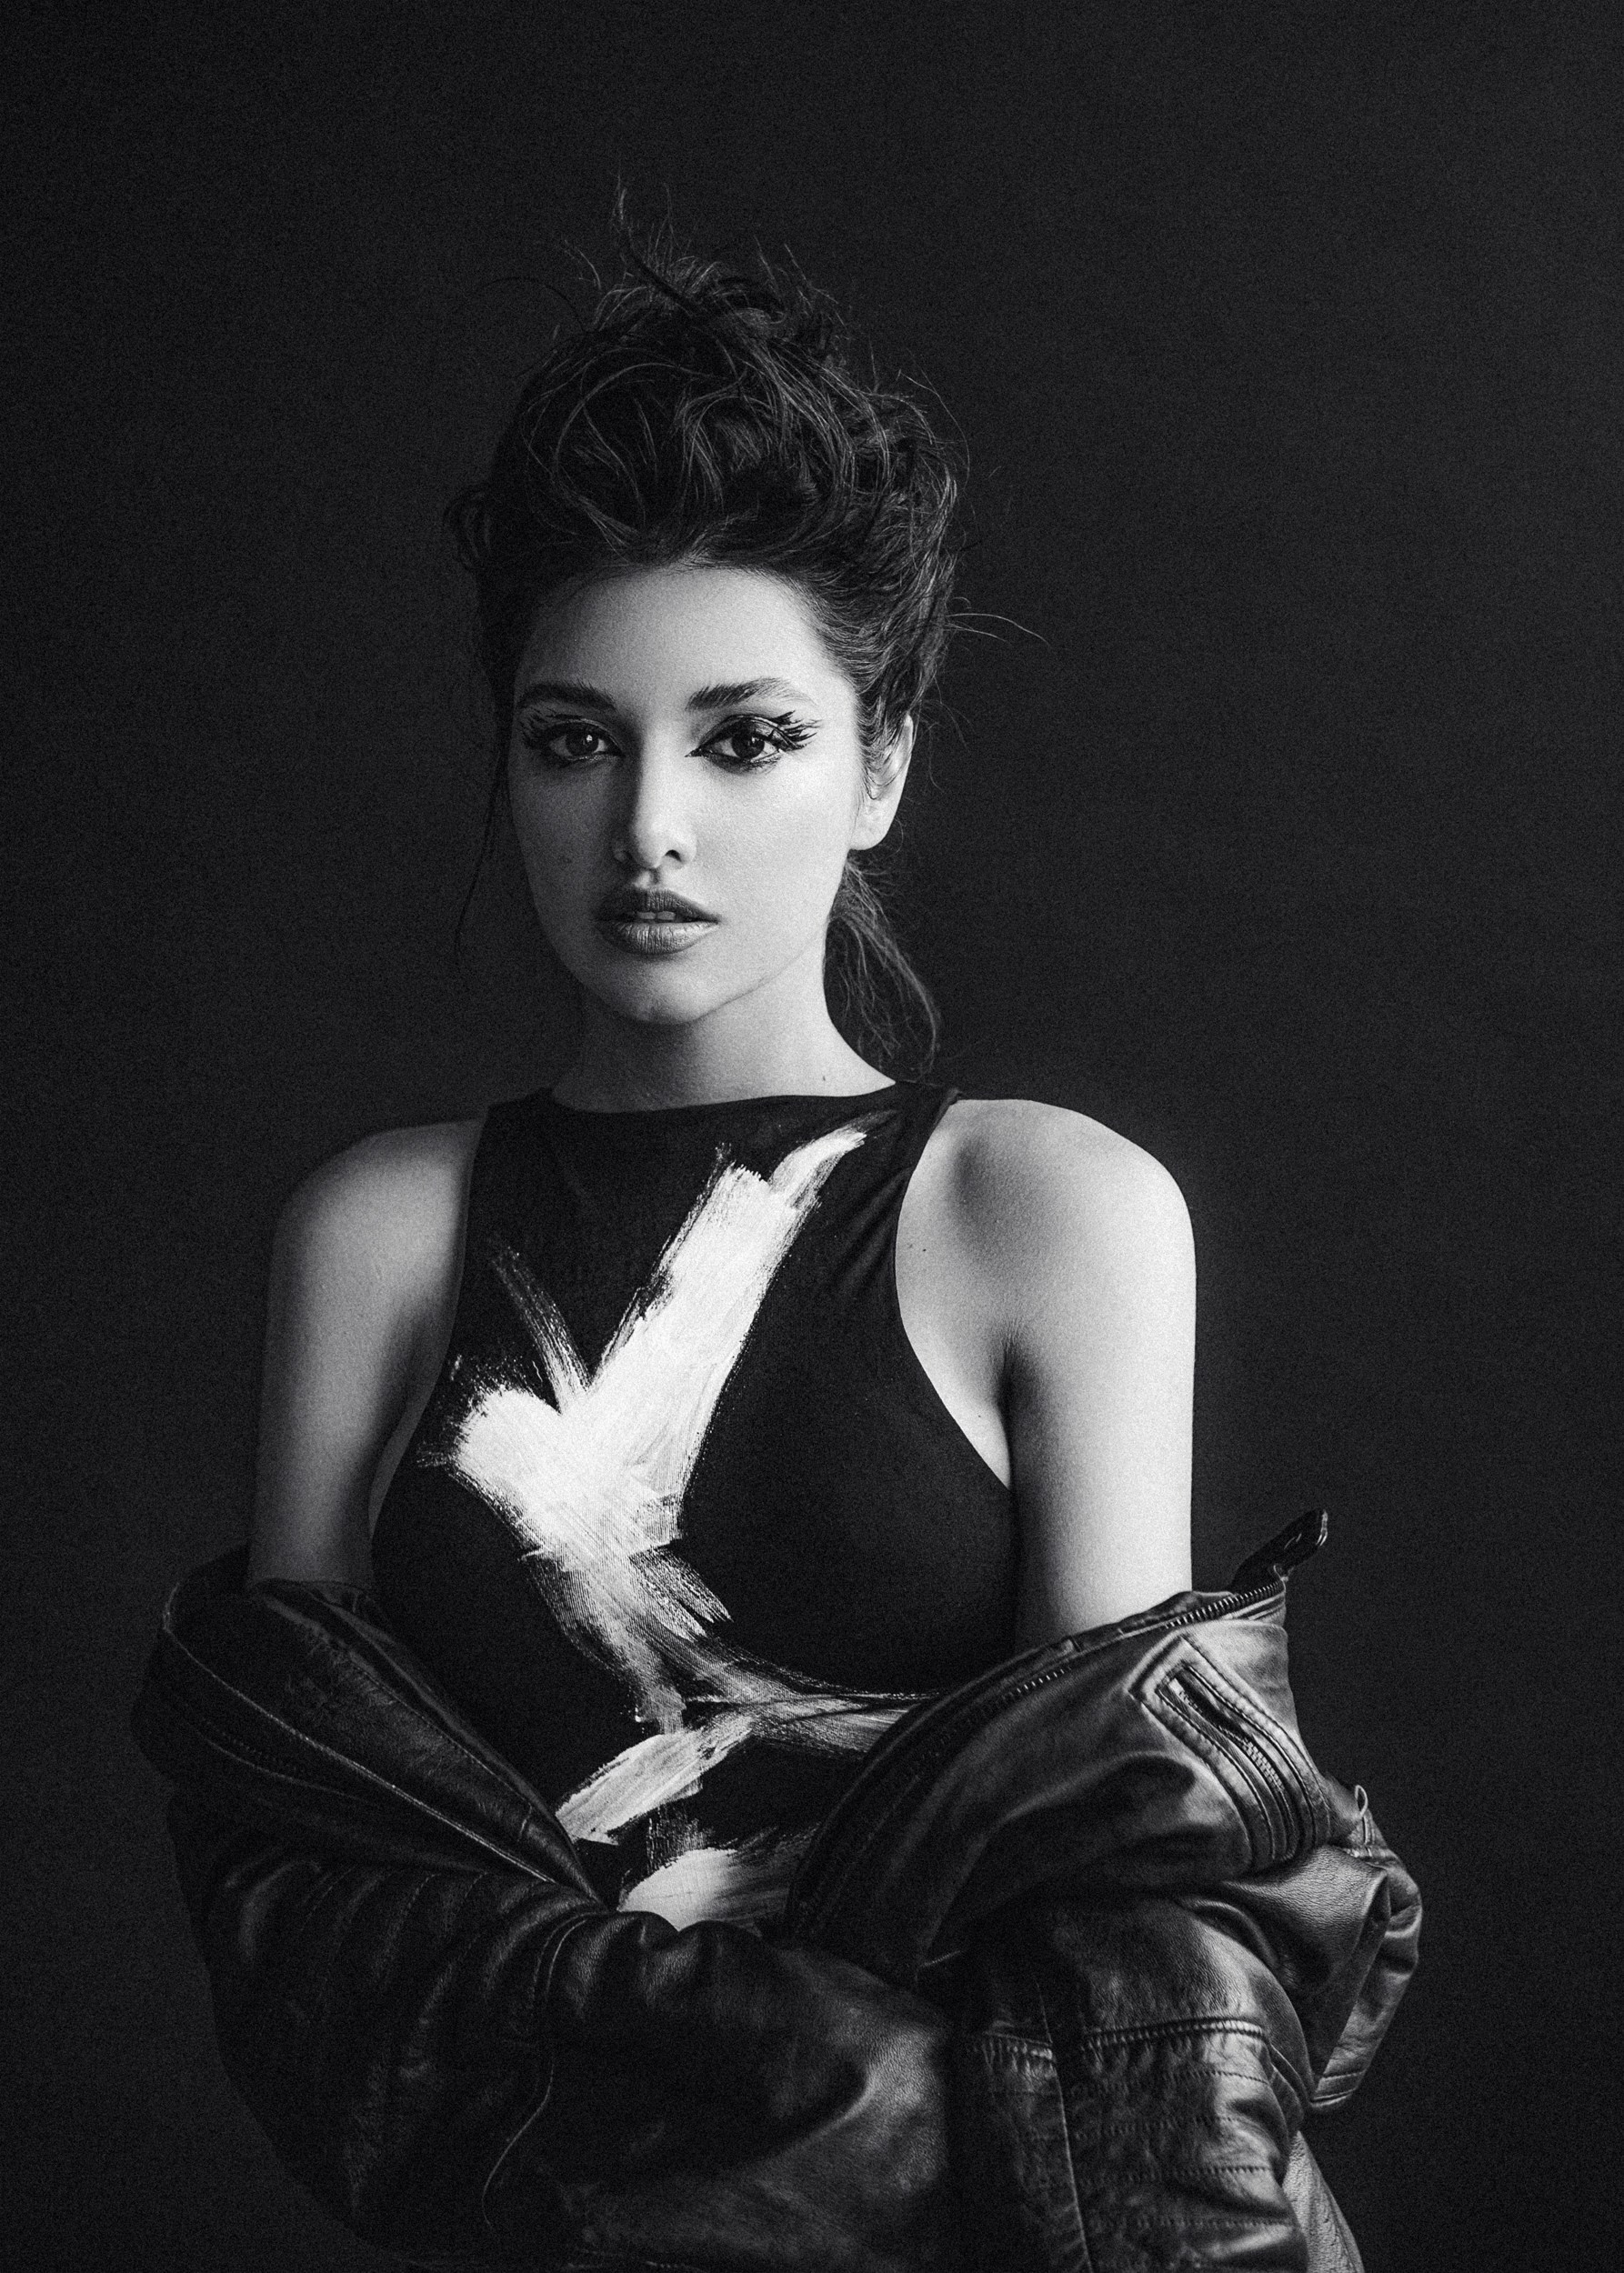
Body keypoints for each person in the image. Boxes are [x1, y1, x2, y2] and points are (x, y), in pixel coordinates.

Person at [133, 231, 1418, 2270]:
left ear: (878, 764)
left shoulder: (1040, 1209)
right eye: (574, 739)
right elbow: (308, 1916)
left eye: (741, 738)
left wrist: (760, 2101)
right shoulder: (378, 1235)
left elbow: (1128, 1908)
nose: (647, 825)